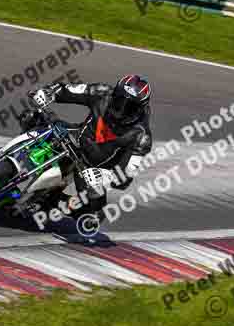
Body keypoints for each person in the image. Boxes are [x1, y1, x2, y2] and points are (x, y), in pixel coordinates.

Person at [18, 75, 153, 224]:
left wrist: (104, 176)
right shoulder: (101, 92)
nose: (121, 110)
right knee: (31, 117)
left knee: (92, 218)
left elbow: (126, 177)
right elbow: (69, 90)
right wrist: (48, 92)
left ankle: (52, 202)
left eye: (130, 108)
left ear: (140, 109)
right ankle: (12, 159)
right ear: (114, 94)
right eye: (119, 101)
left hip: (92, 168)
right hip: (75, 139)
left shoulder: (142, 137)